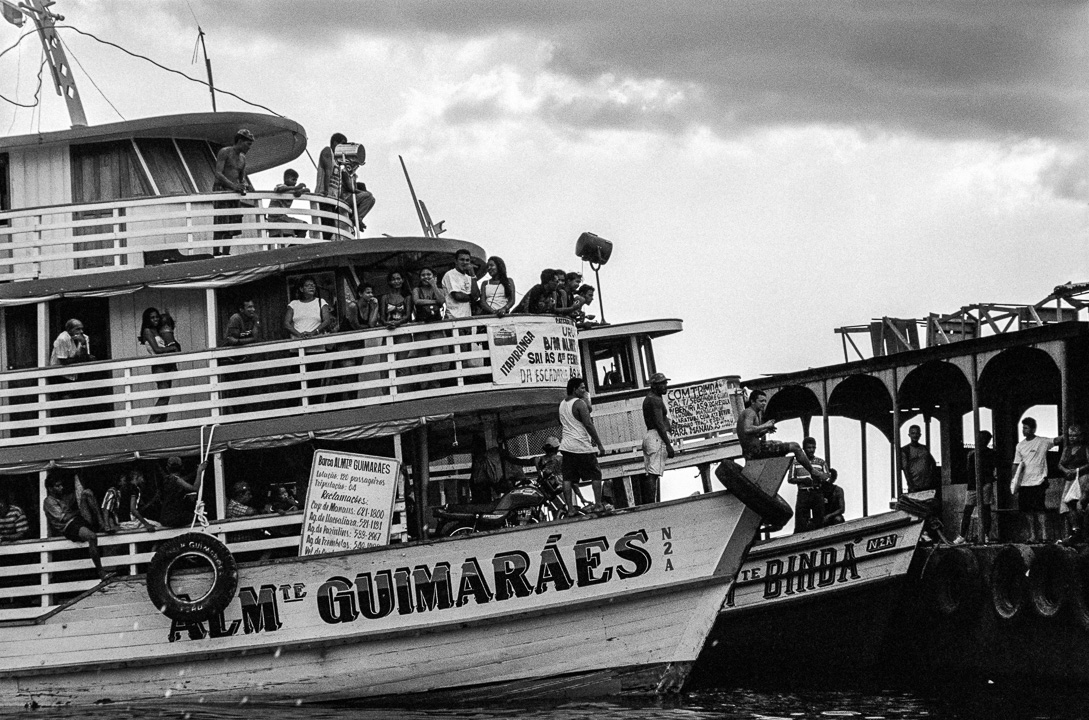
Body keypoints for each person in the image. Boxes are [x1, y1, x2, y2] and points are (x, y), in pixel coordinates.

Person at [737, 390, 829, 481]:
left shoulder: (751, 413)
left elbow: (754, 434)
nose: (764, 403)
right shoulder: (750, 412)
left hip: (750, 452)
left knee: (779, 443)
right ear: (752, 401)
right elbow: (747, 429)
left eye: (765, 401)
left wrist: (766, 430)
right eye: (761, 401)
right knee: (795, 446)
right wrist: (766, 425)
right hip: (756, 451)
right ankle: (813, 471)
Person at [559, 376, 608, 513]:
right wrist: (599, 444)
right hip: (581, 445)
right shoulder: (579, 403)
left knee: (568, 478)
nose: (584, 390)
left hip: (566, 446)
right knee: (596, 473)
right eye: (582, 388)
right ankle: (598, 504)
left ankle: (570, 509)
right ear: (575, 389)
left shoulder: (562, 404)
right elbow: (588, 424)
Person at [43, 474, 108, 578]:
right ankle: (101, 572)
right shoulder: (49, 501)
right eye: (57, 486)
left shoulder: (64, 497)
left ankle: (102, 523)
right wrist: (78, 511)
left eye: (61, 485)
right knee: (92, 536)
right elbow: (64, 518)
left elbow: (78, 494)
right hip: (68, 527)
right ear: (50, 489)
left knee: (87, 493)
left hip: (78, 520)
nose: (61, 488)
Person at [1010, 416, 1055, 544]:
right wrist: (1014, 481)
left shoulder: (1042, 441)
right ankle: (1033, 535)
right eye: (1023, 428)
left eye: (1026, 428)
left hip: (1038, 481)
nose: (1023, 430)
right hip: (1024, 483)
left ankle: (1044, 535)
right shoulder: (1020, 445)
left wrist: (1067, 433)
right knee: (1027, 511)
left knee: (1040, 509)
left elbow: (1057, 440)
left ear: (1033, 429)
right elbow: (1016, 464)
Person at [212, 128, 254, 255]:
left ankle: (226, 252)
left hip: (233, 192)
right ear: (240, 141)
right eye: (248, 144)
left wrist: (245, 186)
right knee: (221, 221)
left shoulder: (243, 158)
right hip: (222, 189)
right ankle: (216, 253)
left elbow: (241, 178)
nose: (249, 147)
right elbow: (218, 173)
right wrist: (233, 186)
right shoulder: (225, 152)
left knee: (232, 224)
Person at [955, 430, 997, 545]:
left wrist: (990, 479)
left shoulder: (991, 453)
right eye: (980, 438)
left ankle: (985, 535)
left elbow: (995, 469)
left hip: (985, 485)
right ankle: (962, 535)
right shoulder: (972, 454)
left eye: (984, 439)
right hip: (973, 486)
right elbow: (968, 469)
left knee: (985, 510)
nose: (981, 441)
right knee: (967, 511)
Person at [139, 307, 180, 424]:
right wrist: (171, 348)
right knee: (163, 397)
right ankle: (152, 424)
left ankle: (162, 425)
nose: (155, 319)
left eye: (157, 317)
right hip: (159, 366)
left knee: (166, 397)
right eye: (152, 317)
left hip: (167, 364)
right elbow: (157, 350)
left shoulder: (158, 330)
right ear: (147, 319)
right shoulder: (147, 331)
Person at [640, 372, 675, 506]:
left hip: (650, 436)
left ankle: (649, 504)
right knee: (653, 473)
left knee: (650, 472)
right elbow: (659, 423)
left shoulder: (649, 398)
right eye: (662, 384)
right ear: (654, 386)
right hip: (657, 437)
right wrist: (668, 445)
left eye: (665, 383)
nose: (665, 386)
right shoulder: (655, 400)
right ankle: (651, 505)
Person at [789, 437, 830, 533]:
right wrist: (803, 480)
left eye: (813, 447)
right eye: (809, 447)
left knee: (819, 521)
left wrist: (819, 477)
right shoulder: (795, 462)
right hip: (803, 494)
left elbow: (827, 476)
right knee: (801, 522)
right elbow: (790, 479)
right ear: (804, 448)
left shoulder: (821, 462)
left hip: (817, 493)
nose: (811, 450)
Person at [1057, 423, 1089, 545]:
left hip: (1082, 477)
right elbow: (1060, 464)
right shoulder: (1067, 449)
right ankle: (1076, 530)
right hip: (1070, 478)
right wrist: (1066, 471)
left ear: (1080, 436)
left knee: (1080, 503)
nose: (1072, 438)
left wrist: (1077, 470)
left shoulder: (1085, 448)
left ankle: (1083, 533)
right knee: (1067, 503)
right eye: (1070, 435)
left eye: (1075, 436)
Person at [159, 457, 205, 529]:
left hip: (165, 517)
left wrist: (195, 472)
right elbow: (195, 488)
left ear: (167, 468)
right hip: (174, 517)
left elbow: (184, 479)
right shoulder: (176, 479)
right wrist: (199, 472)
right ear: (182, 468)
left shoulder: (167, 479)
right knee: (194, 517)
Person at [267, 168, 310, 238]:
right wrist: (295, 188)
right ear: (286, 179)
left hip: (282, 218)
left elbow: (308, 190)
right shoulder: (281, 186)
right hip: (275, 218)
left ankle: (295, 244)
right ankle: (295, 244)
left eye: (296, 180)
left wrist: (301, 191)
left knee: (304, 226)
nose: (295, 182)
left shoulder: (292, 190)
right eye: (293, 180)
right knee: (304, 226)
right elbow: (280, 189)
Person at [900, 425, 938, 494]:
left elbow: (932, 463)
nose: (915, 435)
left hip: (927, 485)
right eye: (913, 433)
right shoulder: (905, 450)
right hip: (914, 486)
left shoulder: (924, 448)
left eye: (917, 433)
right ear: (909, 435)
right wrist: (910, 485)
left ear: (920, 435)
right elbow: (905, 469)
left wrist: (930, 478)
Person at [442, 249, 479, 319]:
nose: (465, 262)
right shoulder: (450, 274)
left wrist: (473, 275)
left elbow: (476, 296)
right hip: (453, 318)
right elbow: (458, 296)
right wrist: (472, 297)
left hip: (467, 317)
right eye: (462, 260)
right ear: (456, 261)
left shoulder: (469, 278)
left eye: (467, 260)